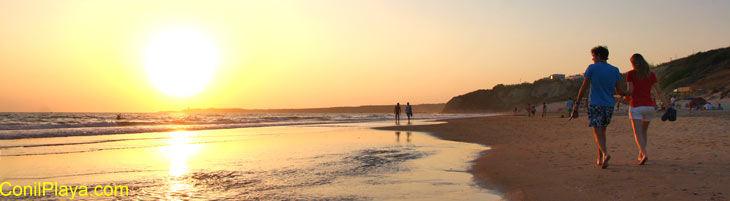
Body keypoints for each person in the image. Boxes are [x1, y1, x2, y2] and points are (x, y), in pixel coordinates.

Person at [571, 46, 626, 169]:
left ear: (599, 55)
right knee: (602, 132)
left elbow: (584, 87)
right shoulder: (615, 70)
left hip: (595, 103)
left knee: (597, 132)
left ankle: (605, 154)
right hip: (609, 105)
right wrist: (629, 94)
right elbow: (620, 90)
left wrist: (577, 103)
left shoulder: (592, 68)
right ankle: (600, 157)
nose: (592, 59)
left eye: (593, 56)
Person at [624, 53, 670, 165]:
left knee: (638, 132)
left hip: (636, 106)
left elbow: (630, 91)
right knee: (644, 131)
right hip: (649, 106)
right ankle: (641, 153)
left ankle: (643, 153)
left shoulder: (631, 74)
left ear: (633, 63)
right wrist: (667, 105)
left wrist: (623, 95)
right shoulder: (651, 75)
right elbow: (659, 91)